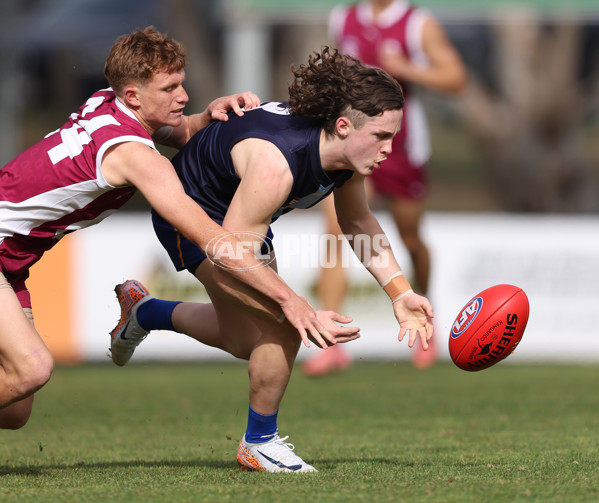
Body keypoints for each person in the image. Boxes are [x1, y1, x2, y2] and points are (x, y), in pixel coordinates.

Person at [0, 26, 344, 431]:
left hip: (12, 264)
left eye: (181, 83)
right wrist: (290, 300)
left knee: (14, 409)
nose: (181, 95)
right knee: (32, 370)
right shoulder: (135, 156)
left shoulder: (107, 103)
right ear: (133, 95)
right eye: (169, 88)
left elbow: (176, 131)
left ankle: (148, 313)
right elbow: (215, 239)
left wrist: (208, 116)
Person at [109, 47, 435, 473]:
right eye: (381, 136)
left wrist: (400, 292)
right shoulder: (274, 167)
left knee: (249, 339)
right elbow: (230, 255)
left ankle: (146, 311)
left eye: (393, 135)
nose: (390, 149)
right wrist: (291, 303)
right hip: (194, 214)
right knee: (281, 325)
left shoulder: (345, 153)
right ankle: (258, 443)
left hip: (241, 217)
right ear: (342, 125)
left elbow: (357, 222)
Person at [302, 0, 468, 376]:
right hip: (352, 144)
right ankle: (332, 342)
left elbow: (456, 78)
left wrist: (408, 69)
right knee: (335, 231)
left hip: (401, 147)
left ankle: (426, 311)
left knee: (410, 239)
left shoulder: (416, 23)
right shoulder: (342, 18)